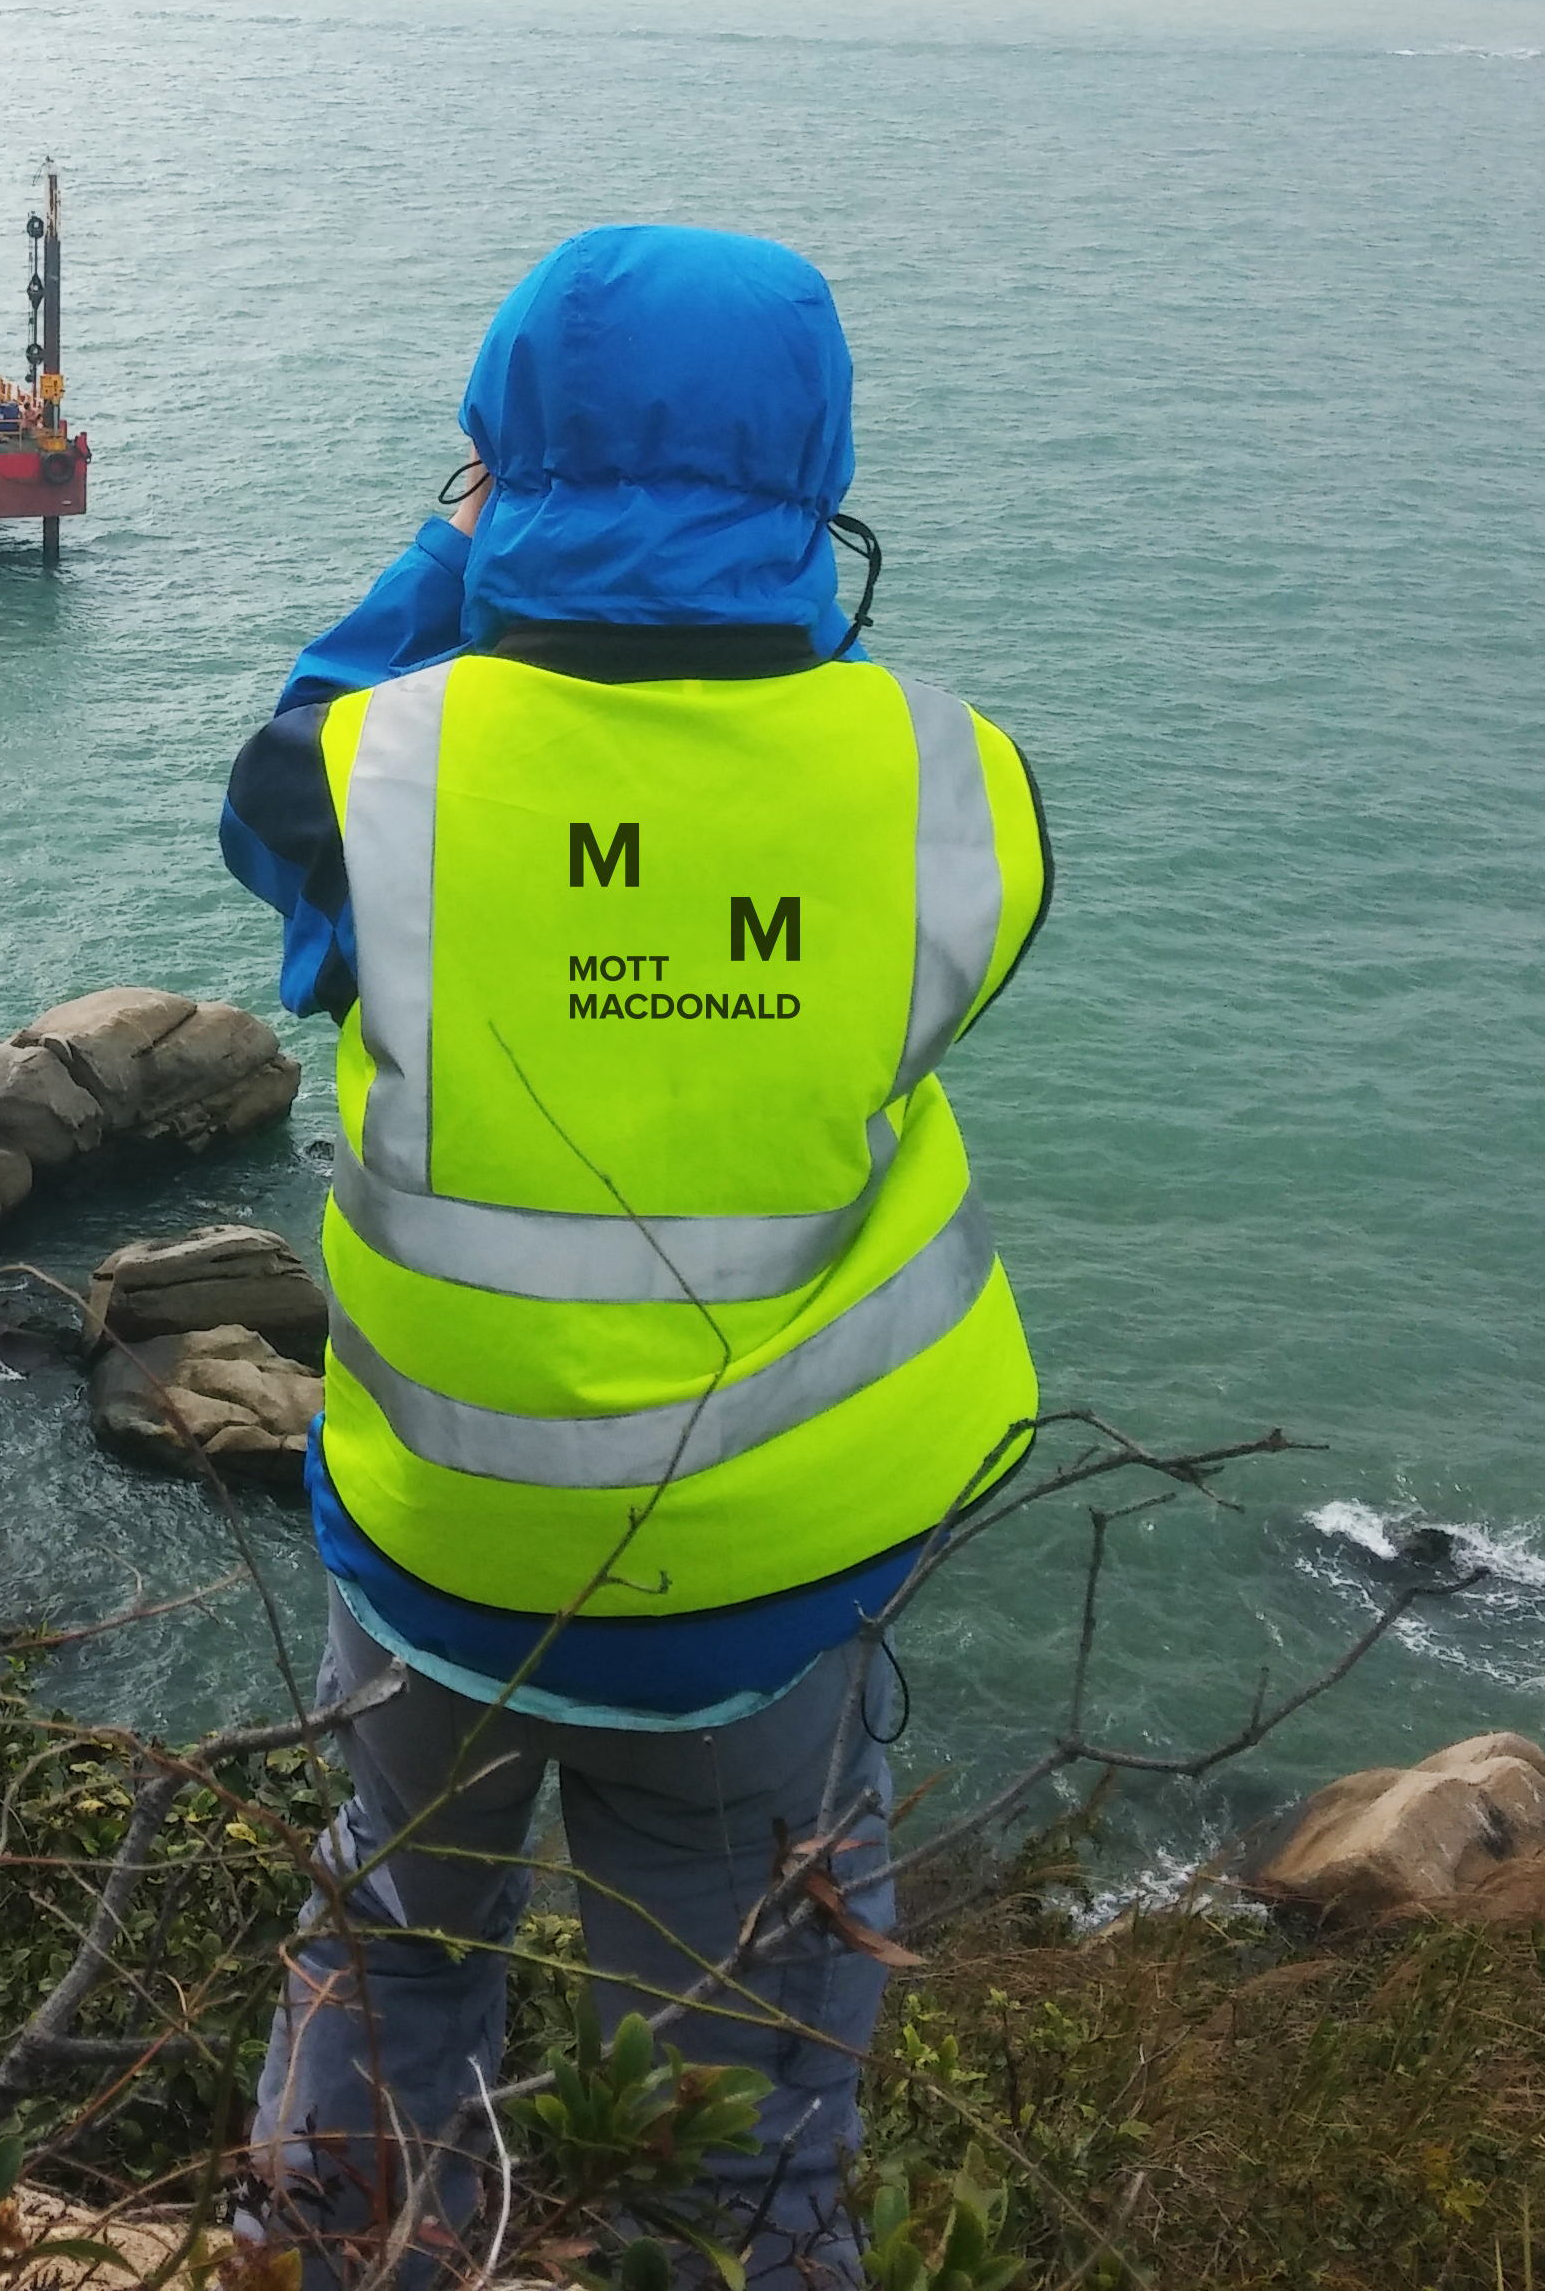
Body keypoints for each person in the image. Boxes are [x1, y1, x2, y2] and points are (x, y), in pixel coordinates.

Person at [218, 226, 1054, 2288]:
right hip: (773, 1590)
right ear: (817, 468)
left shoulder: (372, 777)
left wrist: (455, 552)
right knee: (745, 2099)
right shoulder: (962, 793)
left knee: (393, 1972)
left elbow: (289, 764)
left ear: (496, 461)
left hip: (441, 1561)